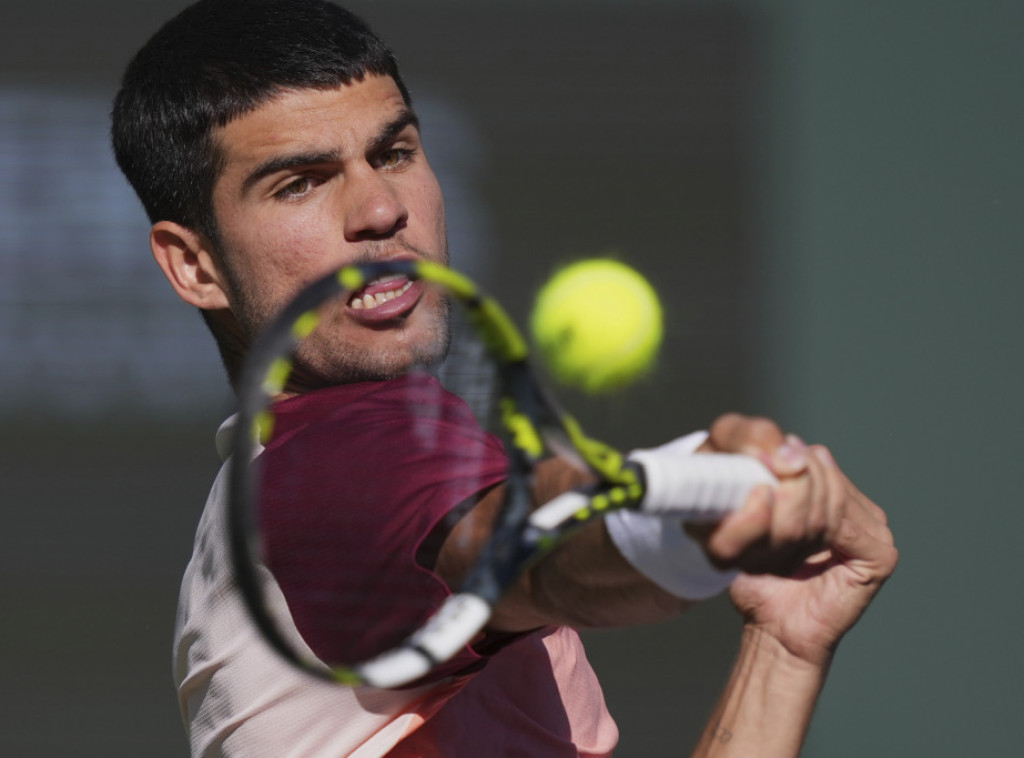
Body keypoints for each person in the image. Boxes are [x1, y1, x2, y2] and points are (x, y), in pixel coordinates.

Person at [111, 1, 898, 756]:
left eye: (394, 153)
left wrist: (782, 651)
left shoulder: (272, 495)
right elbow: (528, 545)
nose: (380, 208)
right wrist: (687, 508)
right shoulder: (331, 460)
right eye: (301, 183)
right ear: (195, 265)